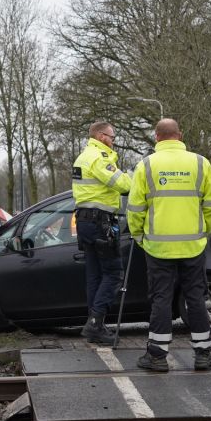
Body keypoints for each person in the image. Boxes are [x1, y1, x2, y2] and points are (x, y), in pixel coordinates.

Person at [127, 119, 211, 371]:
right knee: (196, 297)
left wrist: (139, 236)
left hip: (158, 247)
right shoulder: (201, 163)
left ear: (156, 137)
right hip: (193, 246)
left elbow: (135, 209)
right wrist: (203, 234)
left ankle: (157, 356)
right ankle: (203, 353)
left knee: (161, 299)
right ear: (180, 135)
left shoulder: (146, 165)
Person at [72, 121, 132, 344]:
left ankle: (94, 323)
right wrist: (133, 176)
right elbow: (124, 185)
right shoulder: (99, 157)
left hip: (85, 222)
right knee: (114, 273)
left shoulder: (82, 157)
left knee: (94, 275)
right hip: (101, 223)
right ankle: (96, 324)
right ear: (100, 136)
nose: (113, 141)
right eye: (112, 137)